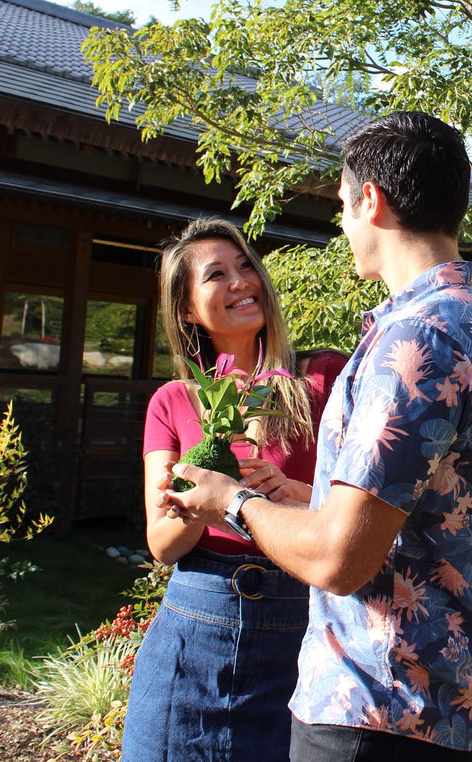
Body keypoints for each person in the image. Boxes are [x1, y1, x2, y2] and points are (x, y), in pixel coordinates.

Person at [164, 112, 472, 761]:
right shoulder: (470, 322)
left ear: (372, 199)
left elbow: (339, 559)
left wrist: (233, 501)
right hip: (428, 706)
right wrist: (311, 497)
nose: (342, 224)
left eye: (341, 204)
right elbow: (419, 517)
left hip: (377, 706)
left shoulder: (416, 340)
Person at [121, 217, 346, 762]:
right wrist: (205, 495)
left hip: (299, 622)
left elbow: (361, 512)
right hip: (194, 622)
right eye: (217, 274)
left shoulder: (323, 378)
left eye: (246, 265)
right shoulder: (173, 402)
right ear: (186, 310)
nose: (242, 280)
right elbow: (163, 542)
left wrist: (295, 492)